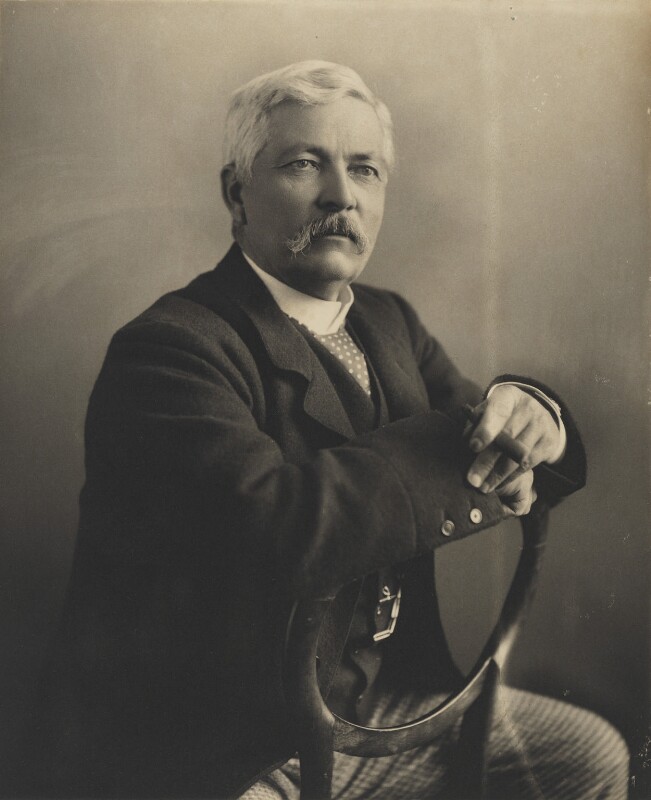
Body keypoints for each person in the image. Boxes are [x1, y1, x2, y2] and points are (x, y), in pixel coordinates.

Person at [36, 61, 628, 799]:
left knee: (587, 757)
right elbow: (283, 526)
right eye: (303, 164)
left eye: (365, 170)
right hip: (222, 741)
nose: (340, 197)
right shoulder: (170, 349)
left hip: (380, 707)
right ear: (236, 194)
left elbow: (492, 436)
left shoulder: (388, 321)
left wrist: (533, 417)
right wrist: (465, 446)